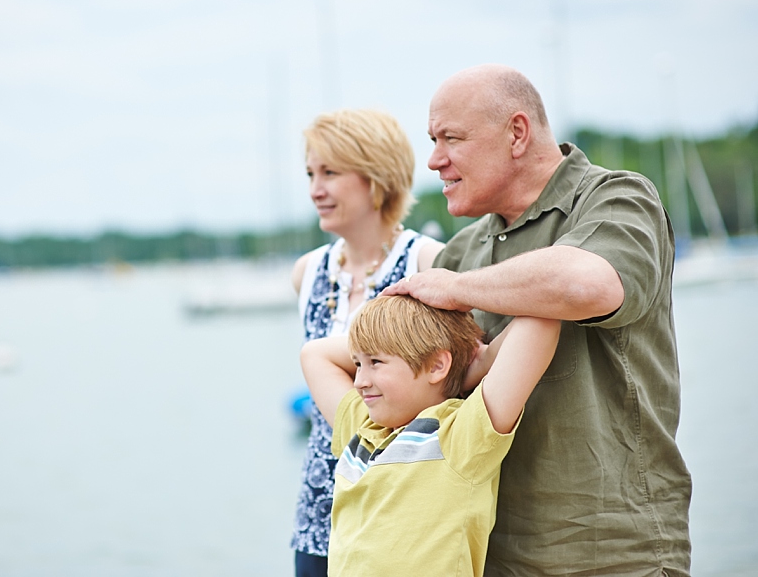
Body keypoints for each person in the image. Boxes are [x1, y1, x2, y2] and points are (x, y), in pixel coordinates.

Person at [383, 63, 692, 575]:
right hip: (488, 556)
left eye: (451, 138)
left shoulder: (616, 199)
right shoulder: (462, 249)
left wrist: (457, 289)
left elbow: (587, 284)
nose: (434, 160)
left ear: (517, 133)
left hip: (616, 554)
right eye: (432, 140)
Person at [301, 295, 561, 576]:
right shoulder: (364, 427)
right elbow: (314, 354)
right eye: (357, 363)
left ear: (438, 365)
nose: (359, 381)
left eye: (375, 362)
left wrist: (482, 361)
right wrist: (388, 333)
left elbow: (542, 318)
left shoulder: (459, 435)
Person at [289, 108, 444, 576]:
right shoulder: (307, 272)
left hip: (403, 512)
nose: (316, 188)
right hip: (321, 513)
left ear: (376, 176)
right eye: (311, 173)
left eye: (331, 173)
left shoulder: (425, 261)